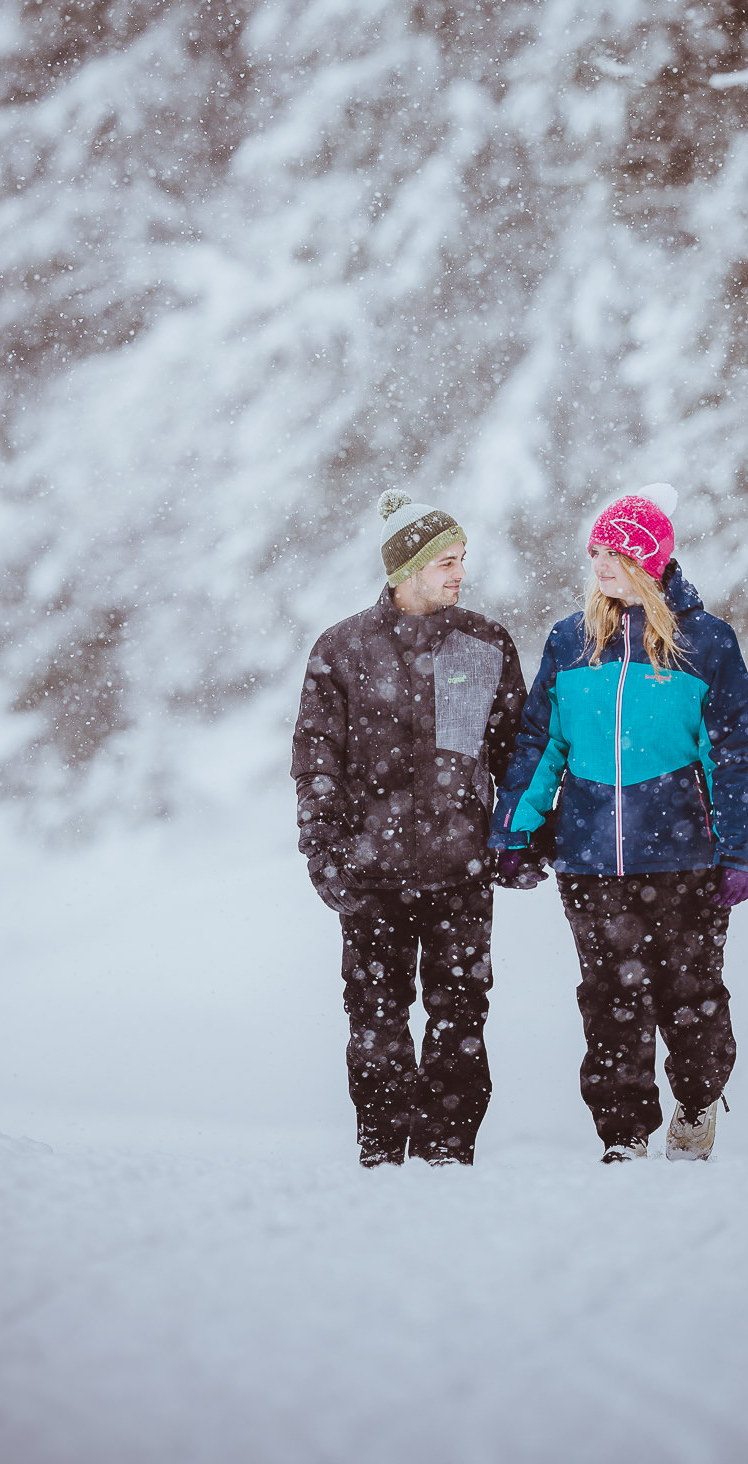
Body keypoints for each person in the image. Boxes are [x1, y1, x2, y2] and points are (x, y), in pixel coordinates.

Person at [488, 483, 748, 1163]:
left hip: (684, 857)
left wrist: (738, 850)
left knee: (690, 996)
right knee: (610, 1000)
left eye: (616, 553)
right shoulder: (572, 641)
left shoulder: (705, 643)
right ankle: (623, 1134)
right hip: (589, 858)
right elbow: (542, 744)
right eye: (596, 553)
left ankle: (696, 1101)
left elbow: (732, 757)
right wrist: (514, 829)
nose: (601, 565)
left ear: (651, 561)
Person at [292, 490, 526, 1167]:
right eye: (447, 561)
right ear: (407, 568)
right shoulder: (342, 649)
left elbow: (516, 756)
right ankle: (381, 1152)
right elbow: (315, 762)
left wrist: (520, 837)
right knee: (375, 1017)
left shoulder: (484, 643)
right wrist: (324, 853)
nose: (460, 573)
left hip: (462, 871)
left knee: (461, 1016)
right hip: (371, 875)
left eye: (462, 559)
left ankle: (447, 1154)